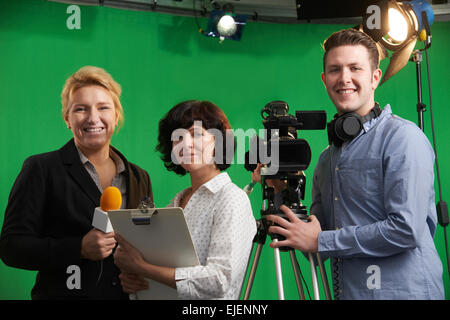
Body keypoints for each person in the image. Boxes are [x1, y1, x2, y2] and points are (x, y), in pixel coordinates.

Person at [266, 29, 445, 299]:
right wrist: (279, 188)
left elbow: (405, 229)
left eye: (355, 68)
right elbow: (312, 241)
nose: (344, 78)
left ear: (375, 77)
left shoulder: (403, 139)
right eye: (335, 70)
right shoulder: (327, 159)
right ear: (325, 80)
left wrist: (322, 240)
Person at [0, 66, 153, 299]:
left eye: (103, 107)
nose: (93, 118)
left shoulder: (139, 177)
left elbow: (143, 244)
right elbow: (12, 248)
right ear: (67, 119)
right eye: (81, 109)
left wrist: (140, 273)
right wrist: (78, 248)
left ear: (116, 115)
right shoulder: (41, 169)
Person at [113, 100, 256, 299]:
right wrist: (134, 278)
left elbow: (219, 280)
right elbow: (161, 268)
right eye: (177, 137)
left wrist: (142, 268)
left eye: (196, 134)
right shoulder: (176, 202)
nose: (185, 144)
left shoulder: (231, 199)